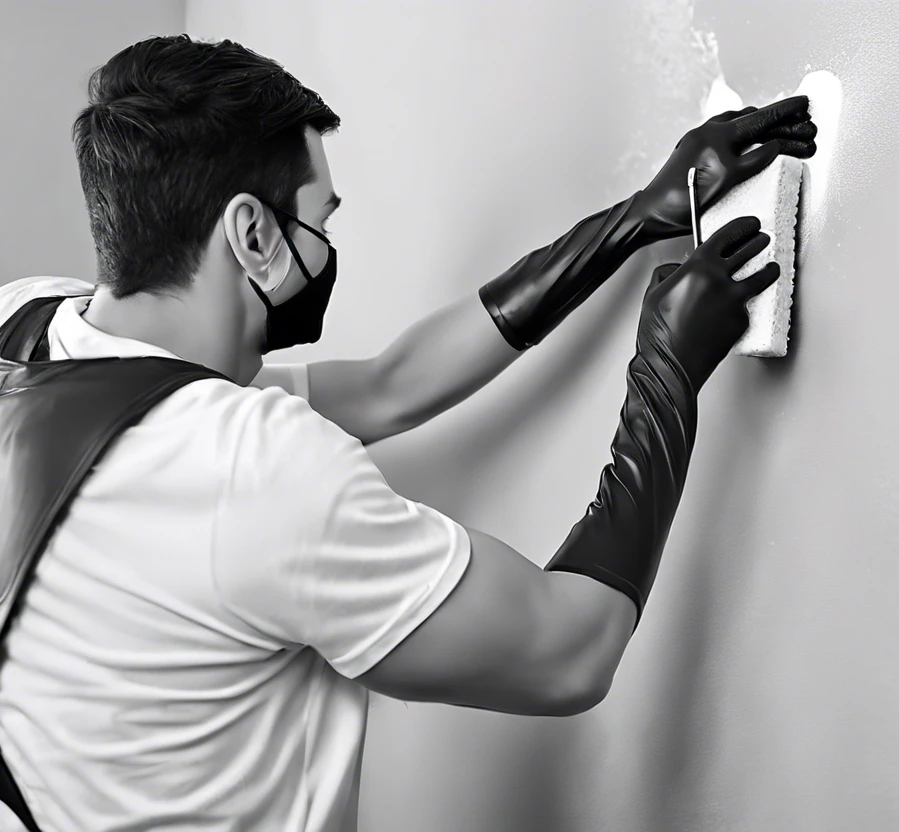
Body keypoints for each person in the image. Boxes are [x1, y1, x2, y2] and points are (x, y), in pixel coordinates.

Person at [0, 34, 816, 831]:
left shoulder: (27, 326)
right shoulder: (248, 468)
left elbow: (393, 385)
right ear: (252, 236)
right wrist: (667, 371)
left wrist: (636, 219)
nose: (326, 248)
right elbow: (570, 649)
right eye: (319, 221)